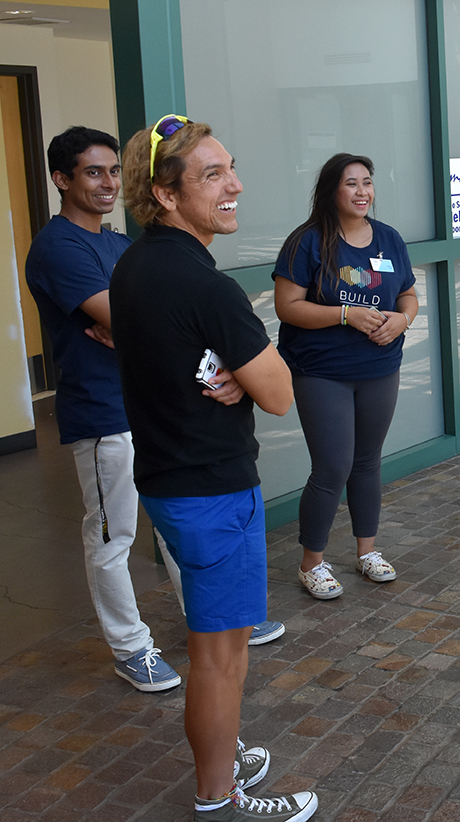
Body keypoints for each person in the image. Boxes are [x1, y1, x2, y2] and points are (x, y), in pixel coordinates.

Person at [110, 114, 316, 822]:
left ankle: (220, 756)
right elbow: (281, 394)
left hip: (171, 482)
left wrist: (229, 363)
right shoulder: (206, 287)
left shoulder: (137, 265)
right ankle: (216, 793)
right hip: (212, 490)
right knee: (220, 658)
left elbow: (160, 352)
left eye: (229, 167)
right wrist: (243, 362)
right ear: (165, 195)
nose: (233, 185)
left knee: (215, 652)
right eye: (210, 175)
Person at [24, 126, 184, 692]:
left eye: (114, 170)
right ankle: (130, 647)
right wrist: (138, 322)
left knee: (174, 520)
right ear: (62, 179)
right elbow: (133, 316)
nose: (109, 182)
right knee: (114, 535)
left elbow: (148, 312)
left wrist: (137, 324)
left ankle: (209, 620)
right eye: (94, 172)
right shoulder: (58, 246)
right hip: (102, 411)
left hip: (149, 403)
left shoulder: (119, 244)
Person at [273, 153, 419, 600]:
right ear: (331, 192)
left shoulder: (389, 239)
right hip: (322, 371)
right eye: (351, 183)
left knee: (367, 461)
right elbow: (288, 306)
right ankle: (311, 562)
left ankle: (367, 552)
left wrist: (403, 320)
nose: (362, 192)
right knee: (333, 465)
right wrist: (345, 315)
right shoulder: (308, 242)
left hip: (379, 368)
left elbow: (408, 294)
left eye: (368, 183)